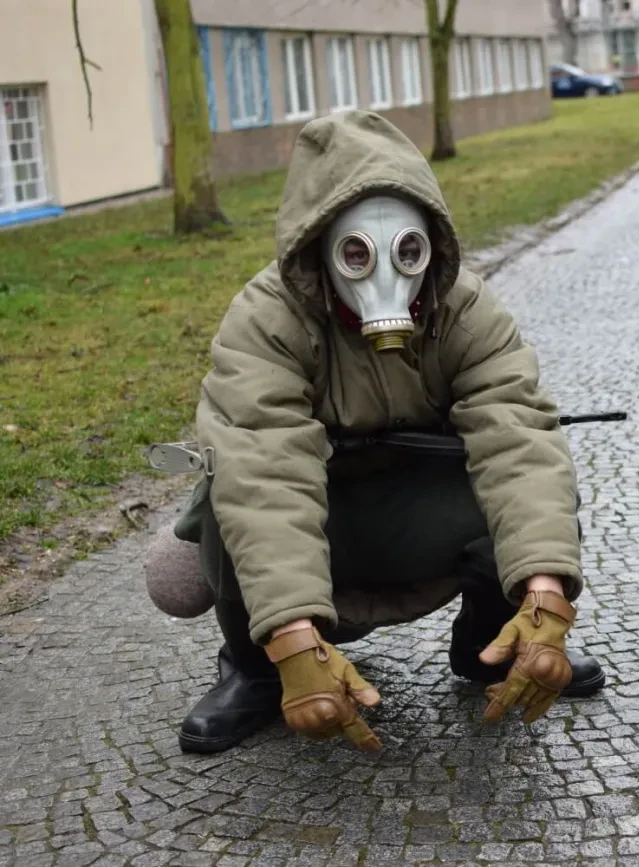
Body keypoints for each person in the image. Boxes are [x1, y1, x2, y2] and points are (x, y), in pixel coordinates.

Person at [174, 110, 606, 754]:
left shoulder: (462, 308)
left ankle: (493, 643)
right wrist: (293, 640)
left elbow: (518, 440)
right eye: (356, 254)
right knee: (226, 498)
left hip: (416, 502)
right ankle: (259, 670)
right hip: (323, 516)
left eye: (407, 251)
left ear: (431, 242)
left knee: (539, 489)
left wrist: (545, 598)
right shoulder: (266, 319)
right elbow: (263, 469)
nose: (386, 275)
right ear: (318, 245)